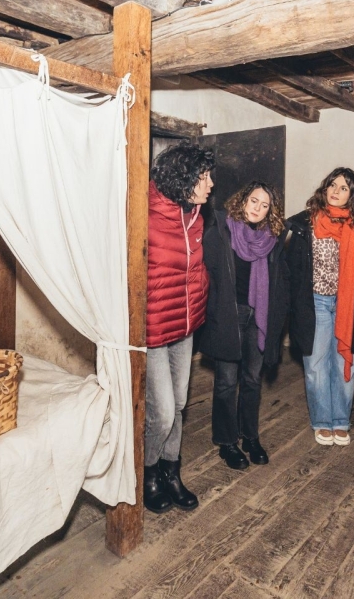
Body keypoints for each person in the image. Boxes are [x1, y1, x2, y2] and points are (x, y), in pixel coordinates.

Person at [287, 167, 354, 446]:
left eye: (344, 187)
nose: (336, 191)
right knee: (316, 365)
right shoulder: (306, 224)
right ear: (324, 188)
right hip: (315, 302)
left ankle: (340, 420)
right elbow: (292, 269)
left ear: (353, 194)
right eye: (332, 184)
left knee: (345, 363)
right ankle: (321, 421)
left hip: (348, 305)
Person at [144, 143, 215, 514]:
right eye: (204, 178)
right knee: (163, 412)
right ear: (183, 178)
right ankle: (148, 471)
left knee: (182, 404)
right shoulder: (145, 215)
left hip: (185, 326)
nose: (211, 185)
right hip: (153, 328)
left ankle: (172, 472)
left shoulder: (196, 216)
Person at [199, 181, 290, 470]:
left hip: (258, 317)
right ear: (243, 200)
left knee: (252, 380)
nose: (258, 209)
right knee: (226, 382)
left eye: (265, 205)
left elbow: (280, 283)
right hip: (228, 315)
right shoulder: (221, 232)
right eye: (254, 201)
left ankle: (249, 435)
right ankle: (227, 442)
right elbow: (206, 276)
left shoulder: (272, 240)